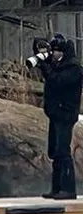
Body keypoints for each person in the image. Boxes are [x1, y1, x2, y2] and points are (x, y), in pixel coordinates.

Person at [27, 33, 82, 200]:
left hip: (66, 114)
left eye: (57, 51)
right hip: (55, 114)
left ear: (64, 52)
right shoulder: (58, 65)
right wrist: (41, 55)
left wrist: (45, 66)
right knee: (54, 152)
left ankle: (68, 189)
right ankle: (56, 188)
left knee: (63, 151)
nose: (55, 53)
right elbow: (52, 77)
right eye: (54, 50)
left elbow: (57, 81)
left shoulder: (73, 68)